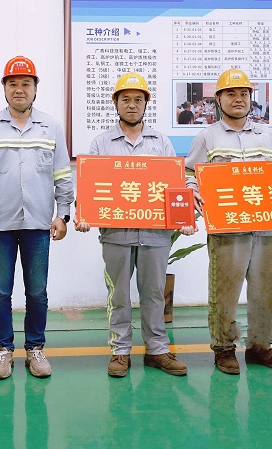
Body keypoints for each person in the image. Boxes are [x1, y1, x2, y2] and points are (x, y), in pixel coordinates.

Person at [184, 68, 272, 375]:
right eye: (231, 94)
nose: (238, 99)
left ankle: (260, 346)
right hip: (227, 230)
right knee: (224, 292)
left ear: (251, 98)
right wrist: (191, 190)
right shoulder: (207, 137)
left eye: (244, 94)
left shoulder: (266, 135)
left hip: (264, 228)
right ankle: (224, 348)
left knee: (266, 291)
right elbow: (190, 173)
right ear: (218, 99)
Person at [75, 72, 195, 378]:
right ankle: (120, 350)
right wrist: (83, 213)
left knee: (153, 293)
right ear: (116, 103)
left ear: (145, 104)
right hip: (116, 234)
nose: (132, 105)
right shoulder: (102, 143)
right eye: (125, 99)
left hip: (155, 234)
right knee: (118, 294)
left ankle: (157, 350)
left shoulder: (161, 142)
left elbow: (176, 187)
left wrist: (184, 219)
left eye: (138, 99)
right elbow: (91, 188)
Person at [0, 56, 74, 380]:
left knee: (37, 291)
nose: (19, 89)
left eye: (25, 83)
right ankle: (3, 350)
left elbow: (62, 174)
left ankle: (35, 348)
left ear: (35, 88)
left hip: (39, 224)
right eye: (13, 83)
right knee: (0, 291)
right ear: (4, 88)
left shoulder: (51, 126)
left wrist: (63, 214)